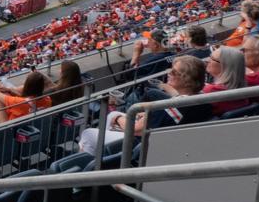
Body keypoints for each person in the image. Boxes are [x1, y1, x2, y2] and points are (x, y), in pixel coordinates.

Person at [79, 55, 212, 156]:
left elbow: (136, 129)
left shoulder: (176, 106)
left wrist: (117, 118)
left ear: (187, 81)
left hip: (145, 146)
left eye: (174, 72)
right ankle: (106, 152)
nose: (168, 73)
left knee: (88, 134)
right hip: (168, 139)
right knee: (115, 115)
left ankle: (93, 165)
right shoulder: (202, 98)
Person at [201, 46, 249, 116]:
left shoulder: (211, 90)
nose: (207, 60)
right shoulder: (244, 88)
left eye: (212, 59)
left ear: (225, 66)